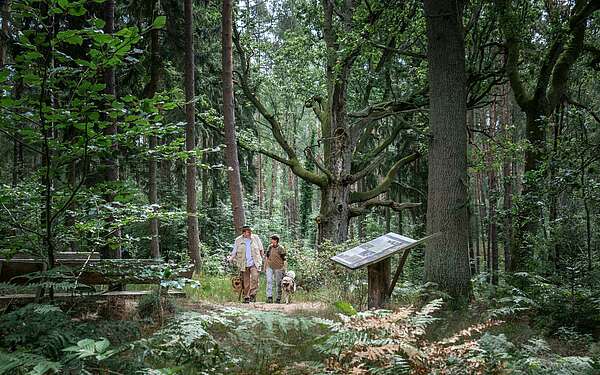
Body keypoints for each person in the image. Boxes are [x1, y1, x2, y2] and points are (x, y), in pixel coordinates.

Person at [228, 225, 264, 303]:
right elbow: (234, 252)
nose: (250, 233)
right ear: (244, 232)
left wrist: (262, 260)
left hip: (254, 262)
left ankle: (252, 294)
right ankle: (246, 297)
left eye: (250, 231)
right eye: (248, 231)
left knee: (255, 277)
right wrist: (230, 259)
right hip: (243, 263)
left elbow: (261, 249)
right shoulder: (238, 240)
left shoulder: (256, 238)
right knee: (246, 281)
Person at [264, 234, 286, 303]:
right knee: (269, 281)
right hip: (270, 266)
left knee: (278, 283)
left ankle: (278, 298)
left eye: (272, 239)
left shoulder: (281, 248)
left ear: (276, 240)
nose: (271, 241)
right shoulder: (270, 247)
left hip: (278, 267)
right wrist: (265, 266)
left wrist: (284, 268)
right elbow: (267, 256)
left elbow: (284, 259)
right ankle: (269, 297)